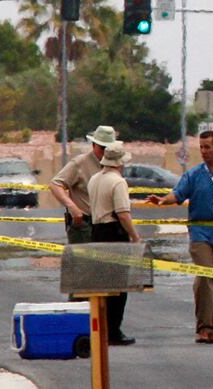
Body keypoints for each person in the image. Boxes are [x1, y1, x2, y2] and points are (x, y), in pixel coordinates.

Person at [148, 130, 213, 344]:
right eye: (201, 147)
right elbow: (178, 194)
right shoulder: (194, 174)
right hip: (200, 234)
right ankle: (203, 327)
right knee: (205, 276)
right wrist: (163, 200)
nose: (204, 151)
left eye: (208, 147)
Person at [88, 141, 141, 346]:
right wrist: (135, 237)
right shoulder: (118, 182)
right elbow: (123, 213)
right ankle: (114, 330)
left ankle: (101, 327)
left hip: (96, 232)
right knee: (118, 285)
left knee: (103, 285)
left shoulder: (94, 179)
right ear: (120, 163)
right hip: (113, 232)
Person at [51, 125, 118, 244]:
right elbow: (56, 184)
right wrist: (73, 208)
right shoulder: (80, 163)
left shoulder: (115, 165)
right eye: (102, 148)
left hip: (108, 224)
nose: (105, 152)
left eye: (109, 148)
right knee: (84, 256)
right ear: (94, 145)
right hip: (85, 225)